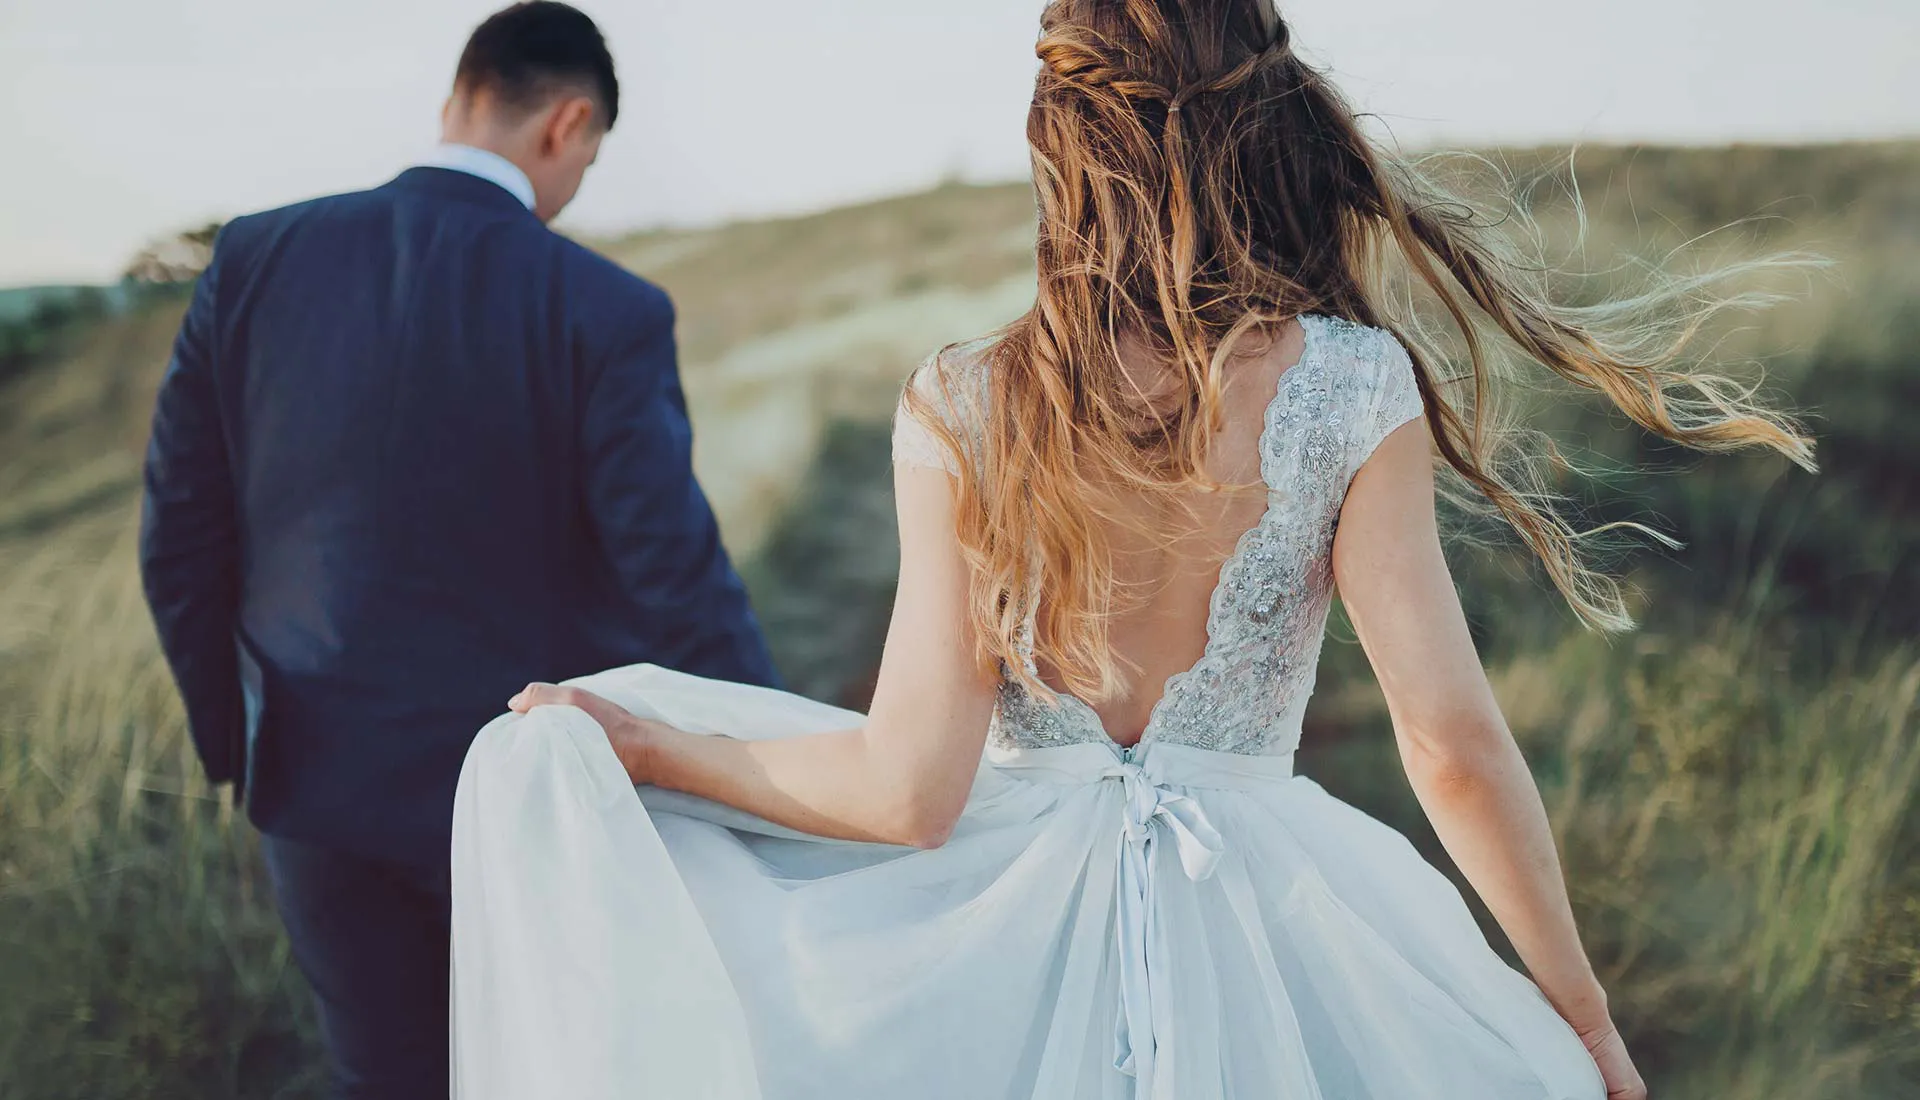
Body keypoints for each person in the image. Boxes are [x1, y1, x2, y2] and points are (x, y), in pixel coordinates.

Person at [451, 1, 1813, 1097]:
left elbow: (906, 790)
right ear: (1263, 142)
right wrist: (1580, 1018)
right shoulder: (1350, 385)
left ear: (1062, 154)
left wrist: (644, 745)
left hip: (999, 937)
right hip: (1278, 917)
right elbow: (1451, 745)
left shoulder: (962, 403)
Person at [137, 4, 779, 1095]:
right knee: (559, 1065)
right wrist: (775, 779)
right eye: (589, 156)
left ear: (457, 100)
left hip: (312, 784)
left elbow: (178, 541)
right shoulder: (602, 306)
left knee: (382, 1074)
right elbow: (671, 575)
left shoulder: (253, 258)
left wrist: (244, 746)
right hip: (532, 798)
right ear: (567, 125)